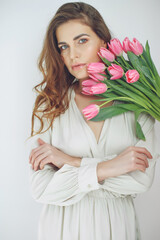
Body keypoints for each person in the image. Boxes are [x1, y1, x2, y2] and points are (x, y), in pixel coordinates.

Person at [27, 2, 159, 240]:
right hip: (62, 229)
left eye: (82, 41)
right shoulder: (51, 105)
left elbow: (141, 181)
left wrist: (69, 162)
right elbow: (41, 189)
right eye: (64, 46)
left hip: (119, 229)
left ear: (104, 41)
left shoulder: (140, 104)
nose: (72, 55)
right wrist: (109, 167)